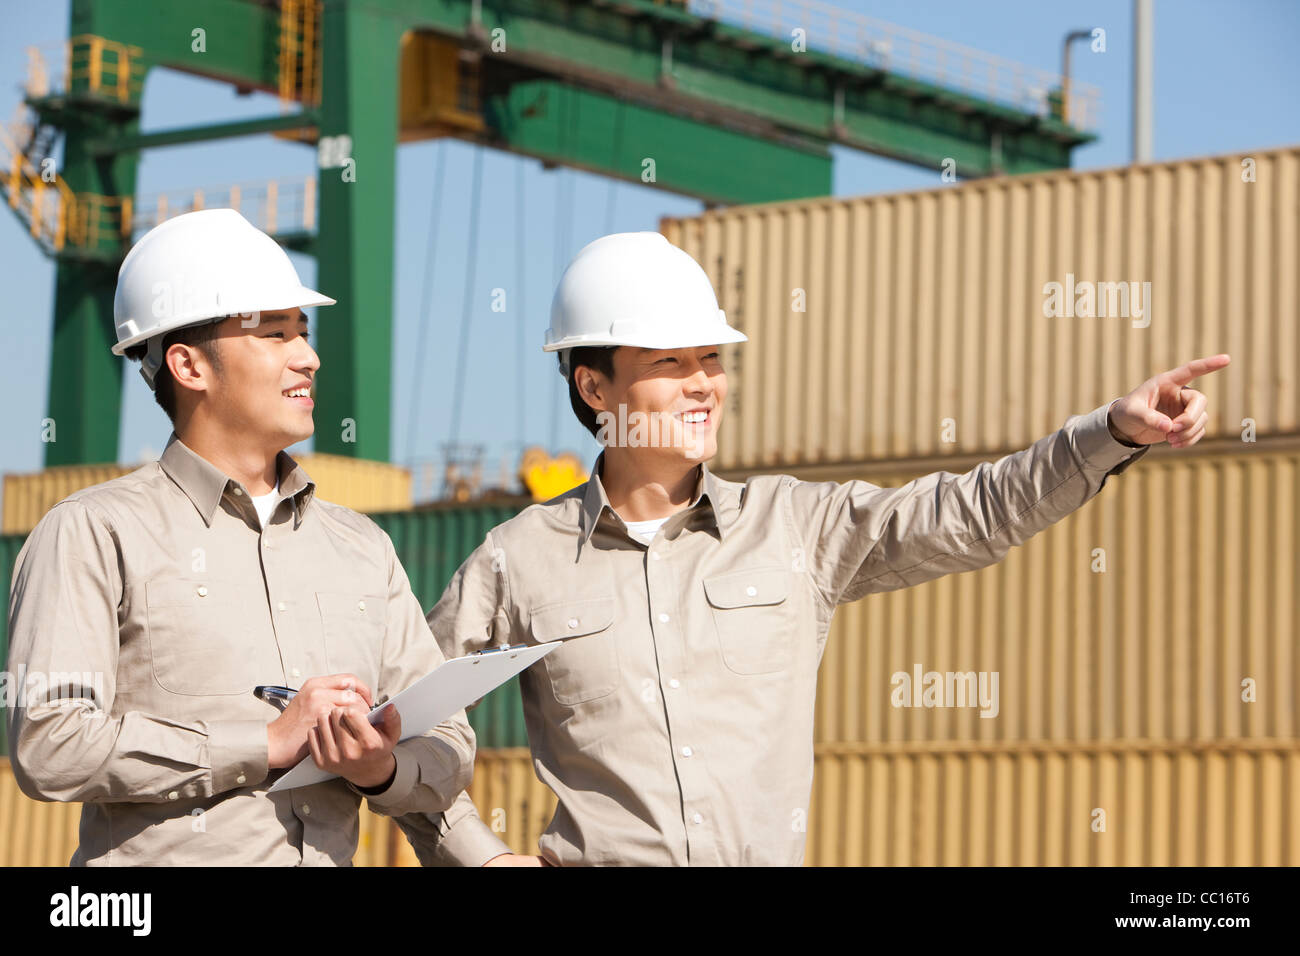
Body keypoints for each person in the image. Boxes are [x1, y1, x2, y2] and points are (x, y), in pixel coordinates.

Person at [395, 231, 1228, 866]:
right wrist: (481, 855)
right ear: (595, 387)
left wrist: (1112, 432)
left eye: (712, 360)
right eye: (671, 361)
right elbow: (407, 733)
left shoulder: (794, 529)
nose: (704, 384)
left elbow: (972, 513)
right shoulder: (516, 561)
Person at [5, 208, 475, 865]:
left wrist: (382, 768)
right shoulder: (94, 532)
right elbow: (49, 744)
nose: (308, 357)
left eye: (303, 333)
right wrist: (263, 742)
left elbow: (450, 740)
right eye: (276, 335)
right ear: (189, 366)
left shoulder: (362, 547)